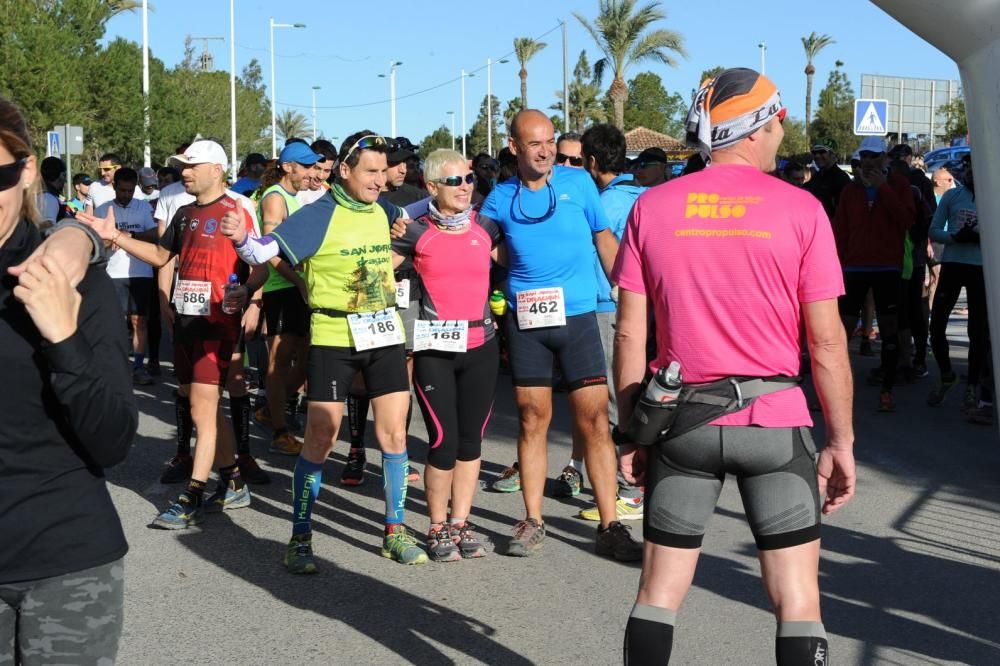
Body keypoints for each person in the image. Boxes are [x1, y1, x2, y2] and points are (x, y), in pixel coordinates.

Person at [615, 68, 854, 665]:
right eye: (778, 123)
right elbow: (826, 344)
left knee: (658, 594)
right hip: (775, 423)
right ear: (755, 129)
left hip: (682, 424)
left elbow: (629, 331)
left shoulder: (652, 206)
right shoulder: (802, 210)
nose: (781, 135)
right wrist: (842, 441)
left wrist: (631, 429)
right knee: (798, 598)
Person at [221, 130, 427, 571]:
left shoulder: (383, 209)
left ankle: (394, 530)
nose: (379, 180)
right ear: (344, 171)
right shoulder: (317, 216)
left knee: (393, 436)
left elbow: (411, 214)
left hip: (384, 332)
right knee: (321, 437)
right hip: (334, 334)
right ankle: (300, 536)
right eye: (370, 172)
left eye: (383, 172)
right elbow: (261, 251)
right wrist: (240, 238)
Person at [0, 95, 137, 666]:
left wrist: (62, 338)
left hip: (66, 566)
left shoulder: (69, 280)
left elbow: (113, 440)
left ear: (27, 168)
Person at [479, 109, 641, 560]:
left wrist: (626, 292)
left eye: (550, 140)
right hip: (527, 321)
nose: (547, 150)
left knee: (593, 422)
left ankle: (610, 524)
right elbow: (480, 245)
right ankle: (533, 520)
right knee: (532, 419)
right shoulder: (499, 198)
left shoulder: (579, 185)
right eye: (535, 143)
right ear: (514, 148)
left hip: (579, 318)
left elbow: (604, 240)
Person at [80, 140, 265, 528]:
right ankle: (233, 482)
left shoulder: (238, 209)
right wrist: (114, 237)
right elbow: (163, 257)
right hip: (186, 320)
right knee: (206, 406)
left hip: (218, 322)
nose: (184, 171)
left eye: (191, 165)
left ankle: (192, 494)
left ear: (216, 168)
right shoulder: (182, 212)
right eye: (181, 165)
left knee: (201, 406)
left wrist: (250, 294)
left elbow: (263, 263)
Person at [392, 149, 501, 561]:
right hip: (436, 349)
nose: (465, 187)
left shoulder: (487, 228)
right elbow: (376, 271)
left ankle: (461, 521)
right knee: (443, 440)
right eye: (454, 181)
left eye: (469, 179)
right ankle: (436, 525)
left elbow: (524, 263)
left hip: (483, 346)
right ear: (432, 187)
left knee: (471, 441)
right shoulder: (416, 231)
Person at [573, 122, 646, 520]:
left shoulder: (605, 204)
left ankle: (628, 489)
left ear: (594, 161)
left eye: (582, 158)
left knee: (615, 395)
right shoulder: (647, 196)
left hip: (608, 303)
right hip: (646, 305)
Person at [832, 135, 915, 412]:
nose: (866, 161)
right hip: (853, 267)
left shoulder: (899, 184)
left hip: (887, 267)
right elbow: (840, 231)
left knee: (889, 330)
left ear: (884, 158)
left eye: (872, 156)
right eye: (862, 157)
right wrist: (837, 265)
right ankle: (835, 393)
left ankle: (887, 389)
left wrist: (884, 190)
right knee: (841, 332)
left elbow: (907, 220)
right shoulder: (850, 190)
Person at [256, 141, 323, 455]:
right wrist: (298, 281)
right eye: (306, 165)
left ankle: (274, 408)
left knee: (309, 357)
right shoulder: (275, 198)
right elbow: (269, 252)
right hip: (281, 289)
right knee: (279, 361)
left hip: (300, 288)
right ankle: (279, 430)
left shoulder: (297, 199)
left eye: (313, 166)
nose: (311, 171)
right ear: (288, 167)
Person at [928, 153, 986, 411]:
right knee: (937, 325)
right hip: (953, 264)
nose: (974, 174)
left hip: (980, 268)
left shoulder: (993, 196)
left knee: (978, 331)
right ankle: (947, 374)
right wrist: (956, 237)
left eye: (978, 168)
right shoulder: (953, 196)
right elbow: (934, 230)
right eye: (970, 169)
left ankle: (973, 384)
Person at [95, 166, 159, 385]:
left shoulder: (143, 208)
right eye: (122, 190)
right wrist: (107, 240)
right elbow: (94, 240)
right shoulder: (103, 209)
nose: (126, 195)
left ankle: (139, 366)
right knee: (116, 321)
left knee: (139, 320)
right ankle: (118, 365)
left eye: (130, 190)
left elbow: (156, 234)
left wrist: (131, 236)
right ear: (114, 187)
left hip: (141, 272)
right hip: (112, 272)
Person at [805, 137, 851, 222]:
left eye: (822, 152)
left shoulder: (841, 178)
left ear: (833, 154)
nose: (817, 156)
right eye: (814, 152)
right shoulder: (816, 176)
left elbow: (843, 213)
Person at [382, 138, 428, 207]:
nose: (403, 170)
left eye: (404, 163)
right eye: (396, 163)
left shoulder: (421, 198)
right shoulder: (364, 197)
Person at [38, 156, 67, 224]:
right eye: (64, 175)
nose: (65, 180)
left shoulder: (57, 196)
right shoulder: (49, 198)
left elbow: (74, 207)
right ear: (58, 176)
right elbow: (47, 227)